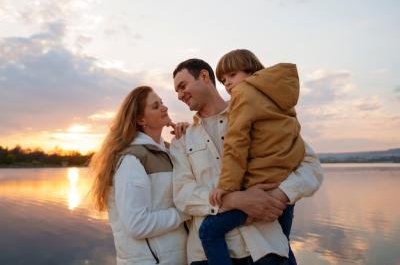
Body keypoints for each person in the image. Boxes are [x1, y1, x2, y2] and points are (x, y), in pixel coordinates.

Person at [170, 58, 323, 265]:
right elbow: (183, 194)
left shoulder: (255, 111)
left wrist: (277, 196)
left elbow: (311, 167)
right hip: (206, 256)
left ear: (204, 76)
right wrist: (234, 200)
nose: (179, 95)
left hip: (267, 248)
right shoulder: (183, 138)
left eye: (182, 86)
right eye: (176, 91)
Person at [200, 49, 305, 265]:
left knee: (208, 231)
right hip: (284, 186)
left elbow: (236, 144)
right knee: (281, 245)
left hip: (259, 188)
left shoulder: (243, 95)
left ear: (251, 71)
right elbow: (295, 139)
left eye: (232, 75)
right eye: (223, 79)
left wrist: (227, 187)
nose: (227, 84)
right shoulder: (280, 99)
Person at [90, 85, 190, 265]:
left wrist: (187, 141)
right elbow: (138, 225)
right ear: (141, 119)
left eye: (162, 103)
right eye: (155, 106)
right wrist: (186, 210)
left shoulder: (167, 151)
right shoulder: (132, 159)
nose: (164, 108)